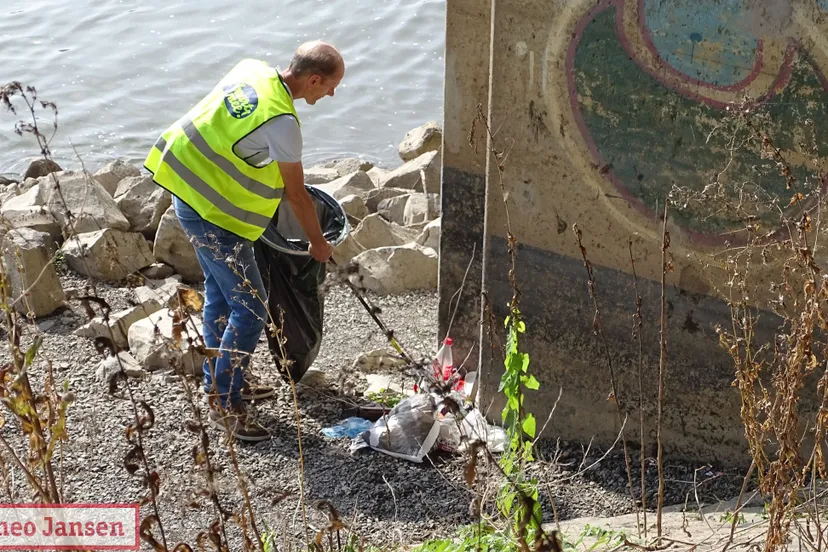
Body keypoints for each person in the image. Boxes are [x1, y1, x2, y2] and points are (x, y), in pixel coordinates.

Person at [144, 40, 344, 441]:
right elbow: (298, 195)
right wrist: (318, 244)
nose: (332, 94)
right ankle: (225, 402)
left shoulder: (252, 71)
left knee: (220, 294)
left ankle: (217, 382)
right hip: (212, 215)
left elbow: (228, 139)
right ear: (314, 79)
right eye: (331, 86)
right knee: (252, 307)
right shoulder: (284, 123)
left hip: (187, 191)